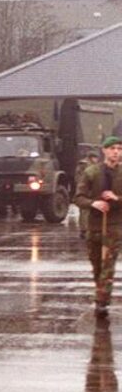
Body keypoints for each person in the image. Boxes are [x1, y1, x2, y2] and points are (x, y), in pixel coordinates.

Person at [74, 136, 122, 322]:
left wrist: (117, 199)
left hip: (114, 227)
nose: (116, 152)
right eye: (112, 148)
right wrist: (94, 203)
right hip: (94, 226)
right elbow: (79, 197)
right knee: (97, 266)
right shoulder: (91, 172)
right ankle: (101, 294)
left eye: (119, 148)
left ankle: (102, 302)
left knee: (108, 266)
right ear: (104, 151)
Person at [76, 148, 102, 239]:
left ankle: (86, 229)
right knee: (85, 211)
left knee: (86, 211)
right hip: (86, 191)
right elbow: (81, 180)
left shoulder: (91, 165)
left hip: (89, 191)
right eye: (95, 157)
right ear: (91, 157)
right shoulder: (85, 166)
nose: (97, 159)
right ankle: (84, 230)